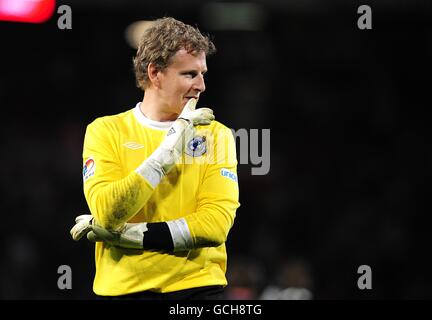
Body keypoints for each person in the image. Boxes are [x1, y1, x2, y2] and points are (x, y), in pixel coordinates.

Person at [70, 17, 240, 299]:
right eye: (189, 74)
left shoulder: (216, 135)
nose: (201, 85)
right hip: (123, 290)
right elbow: (108, 213)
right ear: (155, 73)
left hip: (196, 290)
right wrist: (167, 152)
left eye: (202, 73)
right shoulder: (105, 131)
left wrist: (126, 236)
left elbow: (214, 227)